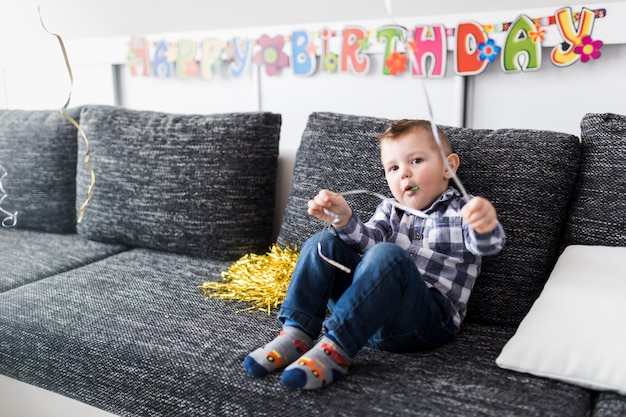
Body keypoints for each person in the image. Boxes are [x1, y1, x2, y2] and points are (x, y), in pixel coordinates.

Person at [243, 119, 506, 390]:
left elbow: (488, 245)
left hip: (425, 321)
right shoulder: (390, 210)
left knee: (388, 255)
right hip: (368, 315)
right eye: (394, 168)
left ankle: (336, 348)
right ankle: (296, 334)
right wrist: (344, 219)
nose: (404, 174)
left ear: (448, 166)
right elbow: (365, 242)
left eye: (415, 161)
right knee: (324, 242)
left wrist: (485, 225)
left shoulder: (465, 209)